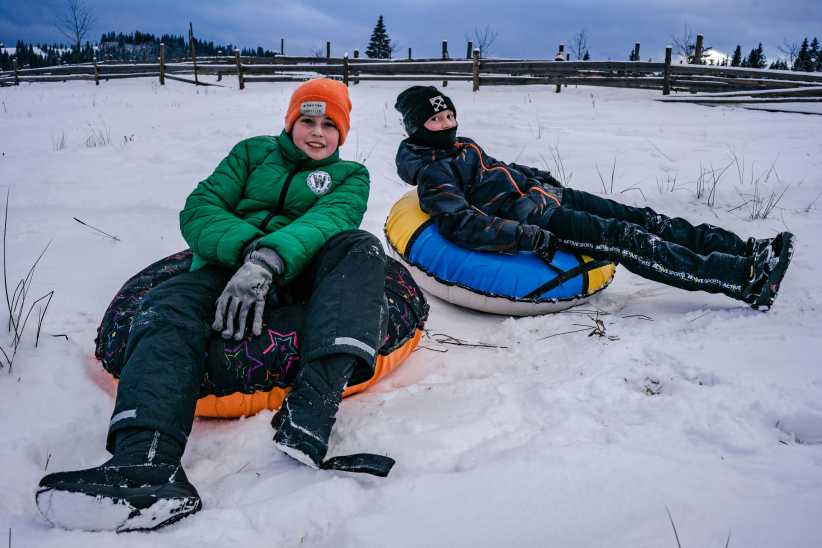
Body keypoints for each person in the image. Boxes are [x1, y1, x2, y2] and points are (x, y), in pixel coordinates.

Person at [36, 78, 392, 533]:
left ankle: (312, 409)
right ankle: (144, 464)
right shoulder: (250, 153)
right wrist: (247, 253)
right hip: (221, 267)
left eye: (329, 124)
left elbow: (330, 220)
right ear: (290, 122)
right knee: (164, 308)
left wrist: (268, 261)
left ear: (342, 133)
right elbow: (200, 208)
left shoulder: (349, 176)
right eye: (307, 120)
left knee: (360, 245)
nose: (317, 132)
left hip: (297, 277)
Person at [393, 86, 794, 310]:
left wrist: (536, 176)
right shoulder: (434, 172)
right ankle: (744, 280)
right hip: (541, 220)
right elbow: (459, 222)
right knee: (627, 239)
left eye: (449, 115)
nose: (447, 123)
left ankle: (746, 250)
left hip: (551, 197)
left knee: (644, 218)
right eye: (436, 119)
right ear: (418, 127)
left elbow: (500, 170)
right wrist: (523, 236)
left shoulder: (463, 146)